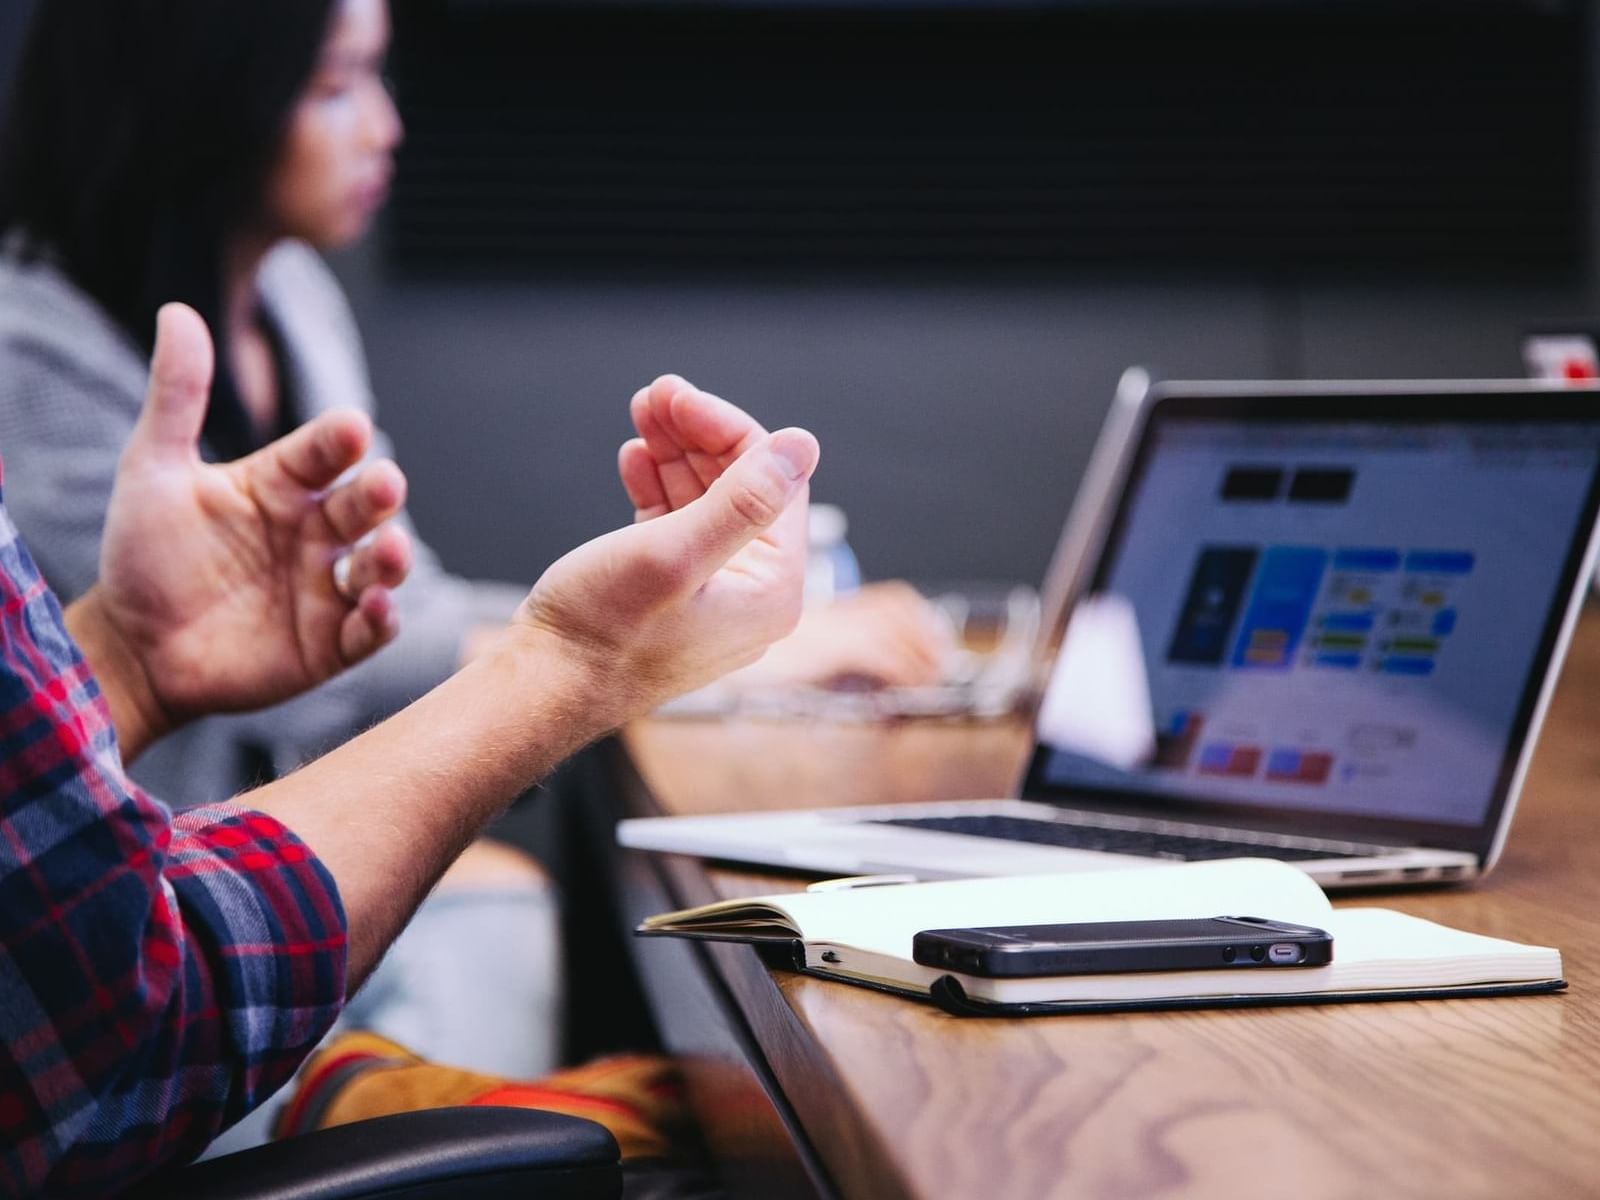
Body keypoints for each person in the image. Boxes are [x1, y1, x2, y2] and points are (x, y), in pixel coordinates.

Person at [0, 0, 949, 1083]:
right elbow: (338, 674)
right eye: (335, 84)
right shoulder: (29, 361)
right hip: (132, 947)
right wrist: (628, 656)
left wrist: (129, 656)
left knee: (506, 902)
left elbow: (376, 612)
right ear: (202, 101)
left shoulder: (290, 299)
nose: (386, 126)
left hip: (225, 884)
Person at [0, 299, 820, 1196]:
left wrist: (123, 662)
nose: (387, 144)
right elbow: (123, 1014)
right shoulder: (34, 339)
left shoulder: (290, 293)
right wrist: (571, 665)